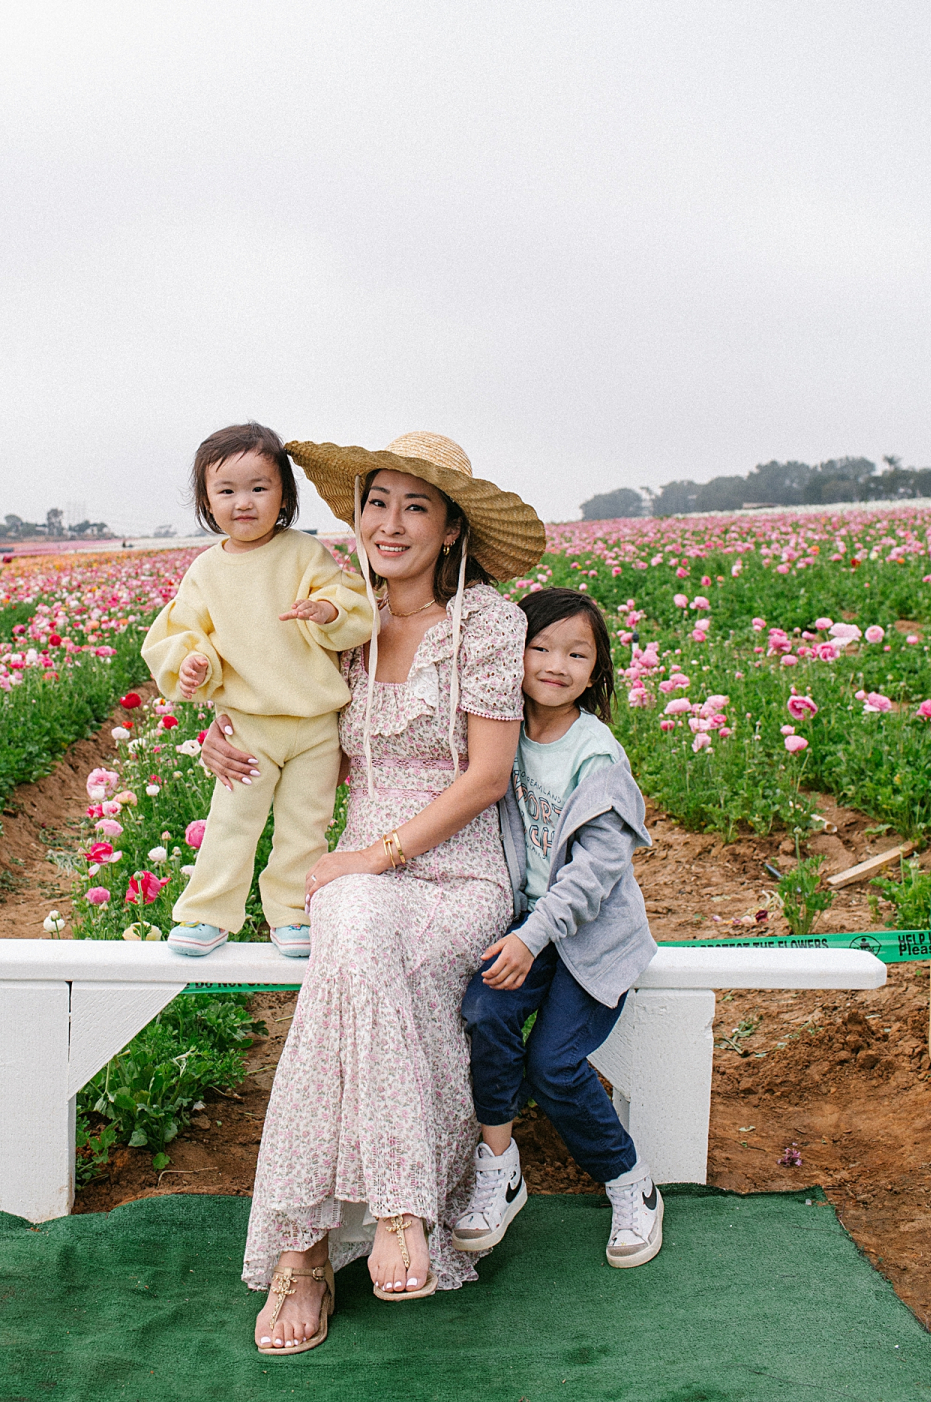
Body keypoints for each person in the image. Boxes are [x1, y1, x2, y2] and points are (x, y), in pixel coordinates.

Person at [201, 432, 545, 1355]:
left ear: (449, 530)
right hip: (356, 872)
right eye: (377, 502)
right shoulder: (330, 615)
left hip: (459, 866)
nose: (389, 524)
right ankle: (399, 1210)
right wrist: (218, 735)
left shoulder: (487, 623)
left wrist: (377, 855)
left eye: (415, 507)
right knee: (351, 936)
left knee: (349, 934)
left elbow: (487, 775)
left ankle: (301, 1257)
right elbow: (268, 701)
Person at [453, 586, 662, 1268]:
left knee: (555, 1064)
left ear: (596, 671)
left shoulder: (596, 755)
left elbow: (593, 876)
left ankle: (629, 1183)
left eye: (576, 653)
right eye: (538, 647)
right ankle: (499, 1167)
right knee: (485, 1011)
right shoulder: (501, 735)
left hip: (587, 935)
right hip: (525, 925)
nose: (554, 663)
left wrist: (531, 935)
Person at [141, 422, 376, 956]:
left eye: (258, 488)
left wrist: (327, 610)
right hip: (247, 724)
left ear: (285, 496)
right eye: (226, 491)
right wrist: (195, 664)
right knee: (231, 822)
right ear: (206, 500)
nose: (242, 502)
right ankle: (207, 913)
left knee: (305, 826)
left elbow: (350, 605)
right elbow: (182, 630)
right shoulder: (205, 570)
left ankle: (292, 914)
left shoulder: (304, 554)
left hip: (316, 726)